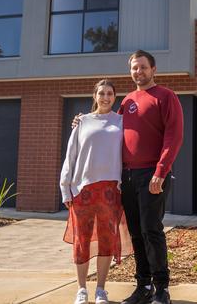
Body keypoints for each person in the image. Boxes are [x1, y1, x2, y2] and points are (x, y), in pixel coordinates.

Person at [73, 50, 183, 304]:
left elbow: (174, 137)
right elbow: (106, 126)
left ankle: (161, 289)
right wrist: (82, 122)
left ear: (153, 70)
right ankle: (142, 286)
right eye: (134, 68)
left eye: (143, 67)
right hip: (127, 176)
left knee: (151, 230)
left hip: (153, 175)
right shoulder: (127, 101)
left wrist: (160, 171)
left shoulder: (166, 97)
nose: (138, 72)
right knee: (134, 232)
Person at [60, 79, 131, 304]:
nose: (106, 97)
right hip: (84, 190)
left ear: (115, 97)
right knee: (82, 240)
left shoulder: (121, 121)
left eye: (110, 93)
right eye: (101, 93)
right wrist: (65, 188)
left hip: (111, 191)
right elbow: (70, 156)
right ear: (95, 96)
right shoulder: (82, 122)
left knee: (106, 240)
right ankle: (81, 290)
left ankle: (101, 290)